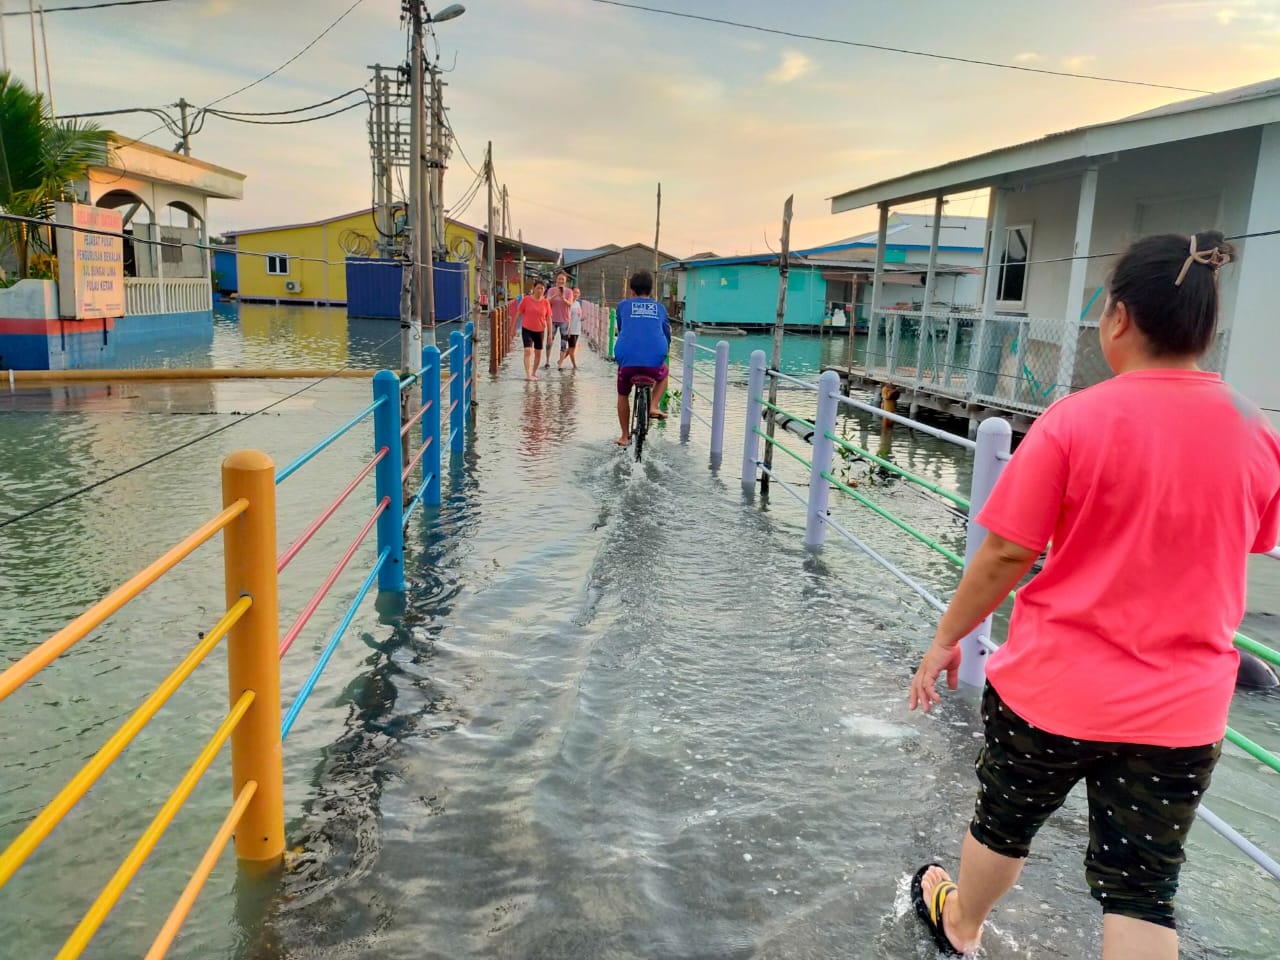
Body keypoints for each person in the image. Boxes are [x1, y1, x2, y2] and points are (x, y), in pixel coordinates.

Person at [906, 231, 1280, 959]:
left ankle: (962, 926)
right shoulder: (1254, 430)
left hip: (1053, 689)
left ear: (1118, 317)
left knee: (1003, 825)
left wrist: (947, 637)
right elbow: (1251, 539)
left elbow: (1008, 552)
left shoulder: (1074, 419)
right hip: (1181, 708)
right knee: (1143, 888)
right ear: (1206, 327)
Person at [613, 269, 672, 447]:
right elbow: (666, 334)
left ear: (631, 291)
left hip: (627, 361)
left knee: (623, 394)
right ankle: (654, 405)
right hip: (654, 361)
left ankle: (624, 436)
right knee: (664, 375)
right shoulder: (660, 308)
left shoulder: (623, 306)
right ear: (651, 291)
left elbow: (622, 328)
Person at [515, 281, 551, 381]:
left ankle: (534, 372)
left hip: (540, 330)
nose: (540, 290)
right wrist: (513, 328)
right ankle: (528, 374)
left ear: (544, 290)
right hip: (527, 329)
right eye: (538, 288)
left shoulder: (546, 302)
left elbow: (548, 318)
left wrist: (550, 334)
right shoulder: (526, 299)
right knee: (528, 351)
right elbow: (518, 313)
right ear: (534, 288)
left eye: (542, 288)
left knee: (538, 353)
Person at [545, 271, 573, 369]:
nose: (561, 281)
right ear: (556, 280)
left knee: (563, 343)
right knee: (549, 341)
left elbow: (570, 304)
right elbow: (546, 302)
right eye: (559, 279)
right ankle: (547, 361)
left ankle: (560, 364)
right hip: (552, 319)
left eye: (563, 279)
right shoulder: (551, 290)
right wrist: (555, 295)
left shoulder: (569, 291)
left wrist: (563, 298)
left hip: (564, 320)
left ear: (565, 281)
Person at [560, 286, 583, 371]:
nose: (576, 294)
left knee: (571, 348)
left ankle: (560, 361)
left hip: (577, 329)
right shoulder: (569, 304)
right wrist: (568, 329)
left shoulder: (578, 303)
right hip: (571, 330)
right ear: (571, 293)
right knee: (572, 350)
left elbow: (578, 316)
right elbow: (567, 317)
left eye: (578, 293)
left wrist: (582, 318)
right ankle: (575, 366)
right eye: (574, 292)